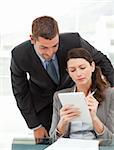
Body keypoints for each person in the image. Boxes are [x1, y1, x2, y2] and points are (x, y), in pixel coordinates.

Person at [10, 16, 114, 140]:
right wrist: (35, 126)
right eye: (44, 48)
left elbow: (101, 60)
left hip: (73, 94)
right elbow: (21, 92)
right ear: (32, 39)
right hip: (43, 104)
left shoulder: (74, 41)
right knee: (52, 140)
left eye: (55, 46)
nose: (50, 53)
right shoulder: (19, 55)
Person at [49, 48, 114, 140]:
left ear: (92, 66)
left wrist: (94, 118)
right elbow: (52, 140)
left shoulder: (110, 95)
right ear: (68, 72)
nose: (78, 74)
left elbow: (110, 141)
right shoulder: (59, 96)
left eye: (82, 68)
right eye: (72, 70)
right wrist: (63, 121)